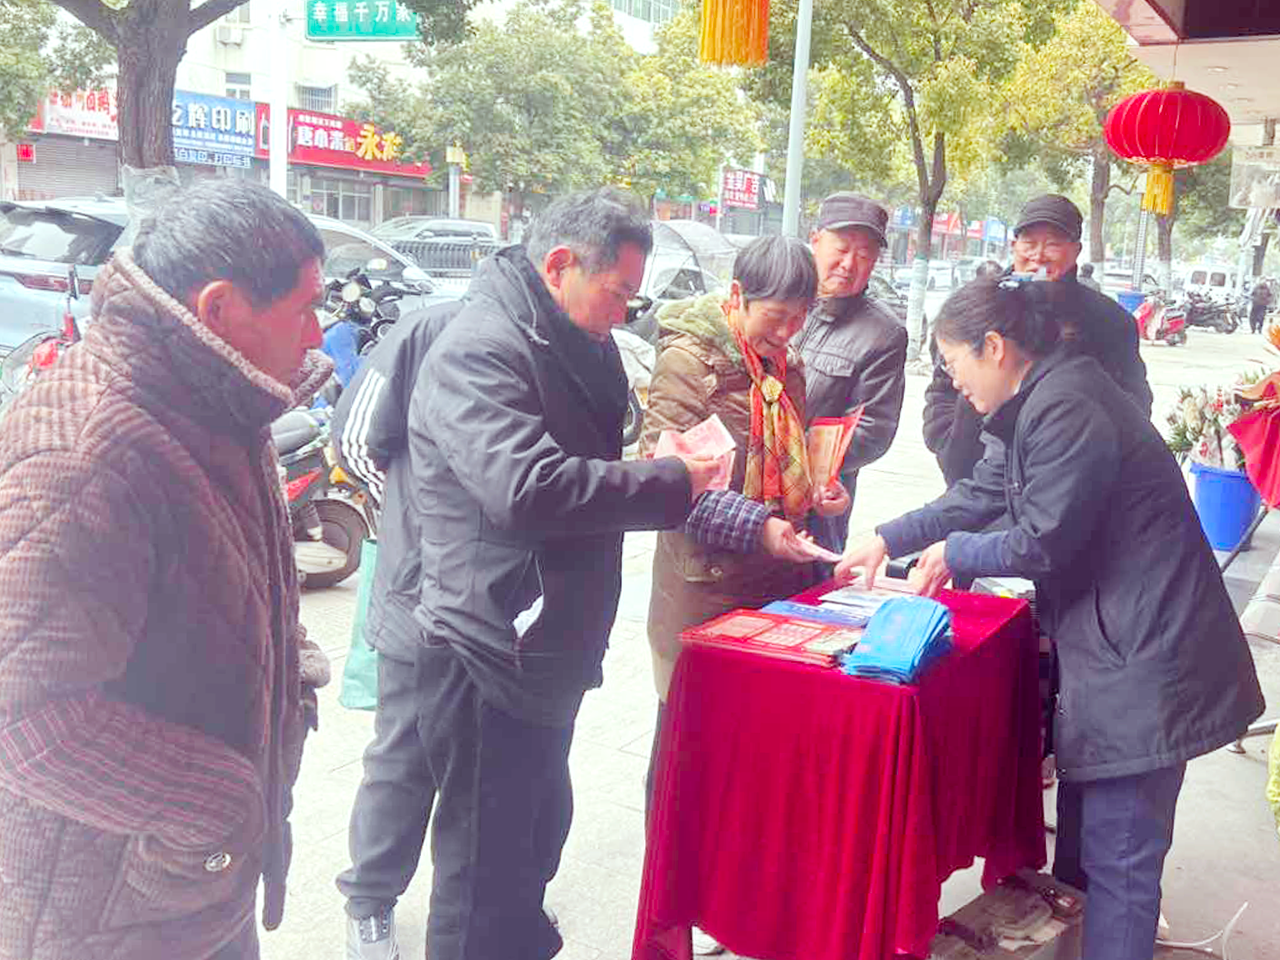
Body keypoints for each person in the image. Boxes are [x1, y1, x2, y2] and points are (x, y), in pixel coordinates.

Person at [837, 277, 1264, 960]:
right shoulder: (1037, 401)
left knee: (1119, 862)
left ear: (994, 347)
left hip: (1147, 663)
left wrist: (954, 553)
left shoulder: (1068, 406)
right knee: (1084, 852)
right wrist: (889, 536)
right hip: (1113, 651)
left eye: (953, 363)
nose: (952, 382)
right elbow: (979, 493)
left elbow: (1045, 539)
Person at [0, 180, 334, 959]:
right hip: (112, 914)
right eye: (303, 310)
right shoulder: (88, 453)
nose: (319, 334)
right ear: (218, 309)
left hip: (193, 890)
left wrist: (286, 662)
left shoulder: (212, 400)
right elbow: (22, 714)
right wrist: (220, 814)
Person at [403, 187, 719, 960]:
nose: (625, 311)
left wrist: (652, 464)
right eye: (618, 292)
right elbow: (525, 488)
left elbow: (584, 460)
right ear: (558, 266)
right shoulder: (481, 348)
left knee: (536, 834)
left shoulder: (576, 336)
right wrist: (668, 482)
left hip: (547, 640)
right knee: (482, 872)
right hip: (488, 644)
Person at [331, 301, 463, 960]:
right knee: (403, 758)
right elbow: (354, 439)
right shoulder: (429, 328)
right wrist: (413, 517)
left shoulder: (561, 337)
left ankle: (488, 894)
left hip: (507, 606)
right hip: (419, 588)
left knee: (489, 762)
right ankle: (369, 901)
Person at [922, 194, 1152, 487]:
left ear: (1076, 251)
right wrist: (948, 440)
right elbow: (942, 387)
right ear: (1014, 245)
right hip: (973, 473)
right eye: (1029, 243)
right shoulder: (976, 307)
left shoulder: (1109, 321)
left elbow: (1135, 403)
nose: (1039, 255)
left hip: (1066, 480)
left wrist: (1092, 458)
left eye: (1053, 244)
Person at [793, 192, 909, 553]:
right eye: (842, 248)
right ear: (816, 240)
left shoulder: (883, 334)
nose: (848, 263)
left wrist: (787, 456)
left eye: (863, 254)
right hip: (744, 490)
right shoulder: (779, 299)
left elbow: (873, 431)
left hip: (818, 507)